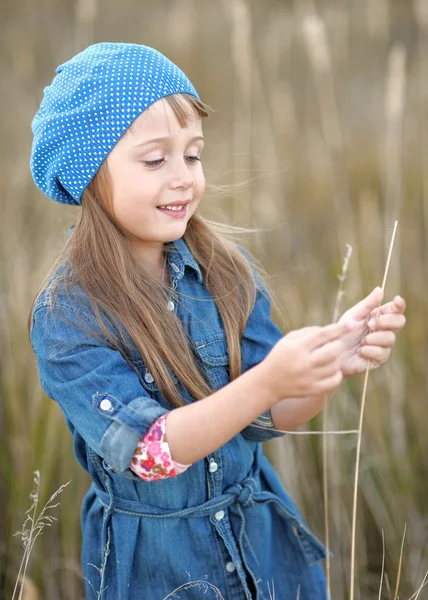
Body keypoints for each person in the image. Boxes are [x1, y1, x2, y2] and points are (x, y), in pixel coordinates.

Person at [28, 42, 406, 600]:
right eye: (156, 160)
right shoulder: (69, 316)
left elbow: (270, 415)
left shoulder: (226, 272)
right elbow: (151, 453)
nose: (183, 177)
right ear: (89, 172)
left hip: (260, 549)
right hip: (161, 571)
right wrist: (269, 379)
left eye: (194, 155)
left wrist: (327, 366)